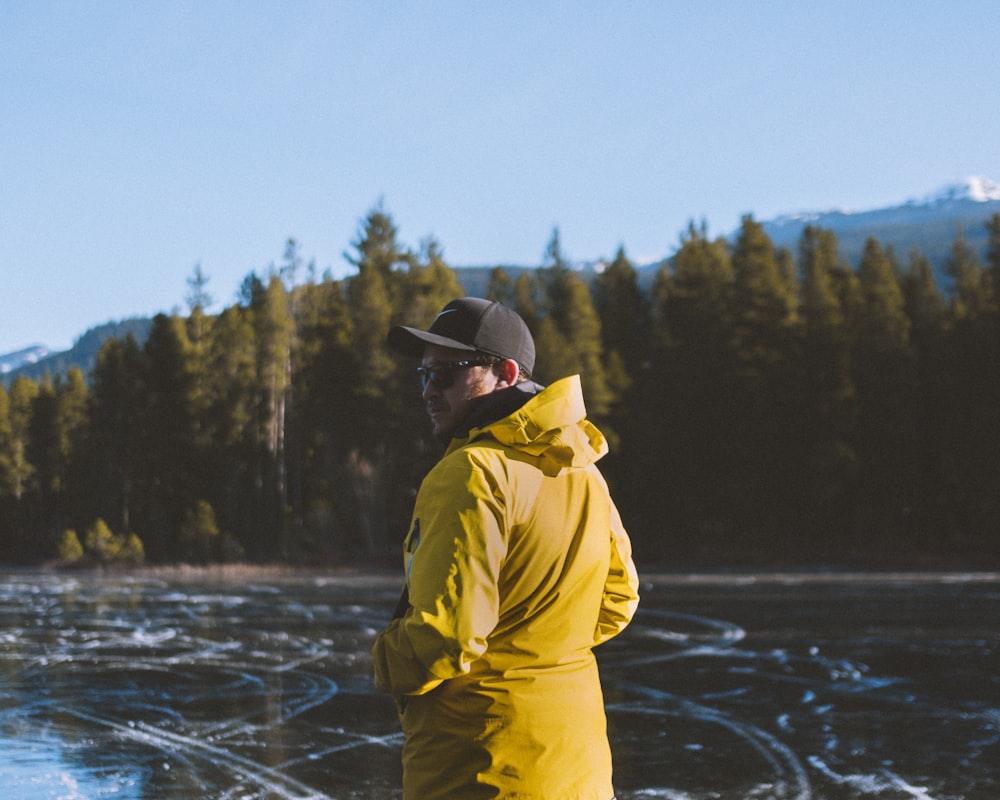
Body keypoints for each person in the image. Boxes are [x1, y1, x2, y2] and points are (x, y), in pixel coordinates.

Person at [372, 296, 640, 800]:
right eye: (423, 375)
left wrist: (384, 658)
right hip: (575, 770)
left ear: (507, 372)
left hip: (481, 770)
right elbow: (618, 600)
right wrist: (540, 648)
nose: (429, 391)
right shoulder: (583, 471)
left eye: (447, 373)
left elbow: (443, 638)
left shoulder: (470, 473)